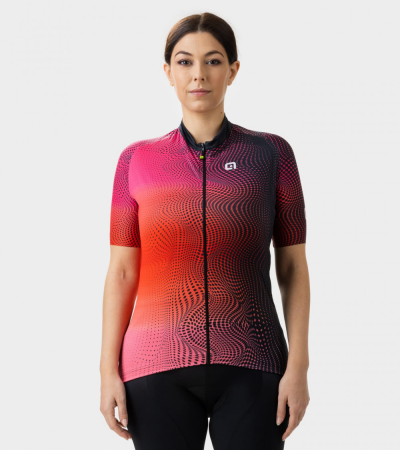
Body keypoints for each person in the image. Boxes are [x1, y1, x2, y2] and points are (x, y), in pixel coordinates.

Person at [100, 12, 310, 450]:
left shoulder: (271, 154)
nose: (199, 74)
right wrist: (107, 371)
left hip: (254, 359)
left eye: (213, 61)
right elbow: (121, 271)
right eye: (185, 62)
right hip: (154, 362)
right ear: (168, 72)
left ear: (233, 70)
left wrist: (299, 367)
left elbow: (292, 267)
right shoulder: (135, 161)